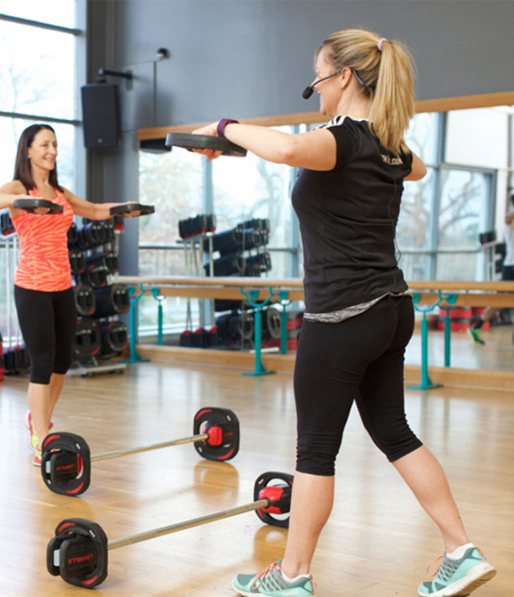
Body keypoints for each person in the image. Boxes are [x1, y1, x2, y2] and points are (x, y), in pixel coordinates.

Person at [188, 30, 495, 597]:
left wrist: (227, 128)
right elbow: (414, 168)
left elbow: (285, 149)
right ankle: (461, 549)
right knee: (395, 433)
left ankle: (293, 575)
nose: (316, 92)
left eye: (318, 79)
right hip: (391, 309)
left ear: (345, 78)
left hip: (344, 318)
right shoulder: (389, 144)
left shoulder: (344, 138)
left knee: (315, 451)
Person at [0, 123, 144, 466]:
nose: (52, 150)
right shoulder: (18, 187)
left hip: (62, 286)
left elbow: (95, 210)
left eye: (54, 144)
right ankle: (42, 437)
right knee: (41, 365)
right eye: (44, 144)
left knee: (61, 364)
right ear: (28, 150)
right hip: (32, 287)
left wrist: (123, 208)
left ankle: (38, 420)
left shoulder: (60, 192)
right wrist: (23, 200)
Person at [468, 191, 514, 344]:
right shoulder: (510, 220)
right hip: (511, 267)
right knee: (501, 301)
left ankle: (478, 325)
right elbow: (507, 218)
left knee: (503, 302)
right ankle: (477, 325)